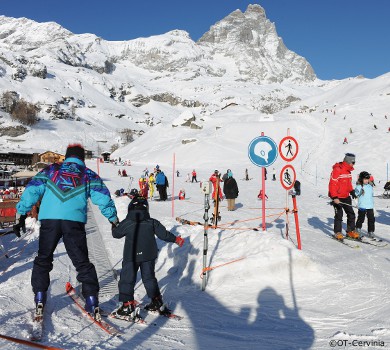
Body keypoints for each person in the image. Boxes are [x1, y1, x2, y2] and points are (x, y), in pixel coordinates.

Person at [14, 144, 118, 320]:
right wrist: (113, 219)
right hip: (74, 221)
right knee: (82, 262)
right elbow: (103, 197)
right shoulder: (87, 174)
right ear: (82, 158)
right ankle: (92, 299)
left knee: (43, 258)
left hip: (50, 220)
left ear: (67, 156)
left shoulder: (51, 169)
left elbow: (32, 189)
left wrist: (20, 214)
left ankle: (40, 296)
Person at [110, 197, 184, 319]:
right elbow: (164, 234)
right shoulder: (151, 222)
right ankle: (157, 302)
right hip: (149, 255)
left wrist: (114, 225)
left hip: (131, 256)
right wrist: (176, 239)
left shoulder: (127, 222)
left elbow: (116, 234)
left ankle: (127, 305)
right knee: (149, 278)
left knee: (127, 279)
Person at [328, 153, 358, 241]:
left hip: (346, 196)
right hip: (337, 197)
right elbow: (332, 184)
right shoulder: (337, 170)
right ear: (348, 161)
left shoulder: (348, 171)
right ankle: (338, 232)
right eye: (353, 162)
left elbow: (348, 184)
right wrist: (334, 197)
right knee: (339, 215)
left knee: (351, 214)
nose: (354, 164)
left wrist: (351, 191)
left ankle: (350, 231)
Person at [355, 171, 375, 238]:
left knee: (371, 219)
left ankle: (371, 231)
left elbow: (371, 195)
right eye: (365, 179)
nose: (367, 181)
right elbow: (355, 195)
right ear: (361, 179)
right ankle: (358, 228)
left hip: (370, 206)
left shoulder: (370, 186)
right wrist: (360, 192)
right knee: (361, 218)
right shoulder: (359, 187)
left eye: (368, 179)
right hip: (362, 206)